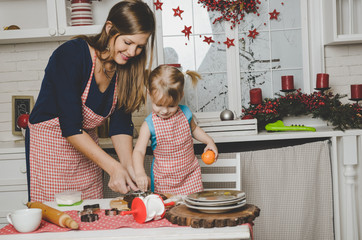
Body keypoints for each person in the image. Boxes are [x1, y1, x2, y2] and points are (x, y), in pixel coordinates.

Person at [25, 0, 155, 202]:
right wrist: (113, 167)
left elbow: (120, 127)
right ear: (110, 28)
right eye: (127, 43)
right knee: (56, 219)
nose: (132, 52)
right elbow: (70, 127)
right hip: (49, 150)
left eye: (139, 47)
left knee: (91, 215)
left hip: (88, 151)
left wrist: (130, 170)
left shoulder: (125, 70)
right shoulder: (71, 54)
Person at [133, 65, 218, 195]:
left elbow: (195, 130)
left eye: (171, 105)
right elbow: (138, 151)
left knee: (193, 211)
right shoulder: (149, 125)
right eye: (159, 105)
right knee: (168, 213)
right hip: (164, 181)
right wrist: (139, 173)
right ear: (149, 95)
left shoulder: (185, 113)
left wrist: (209, 141)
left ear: (180, 96)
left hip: (190, 176)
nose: (165, 111)